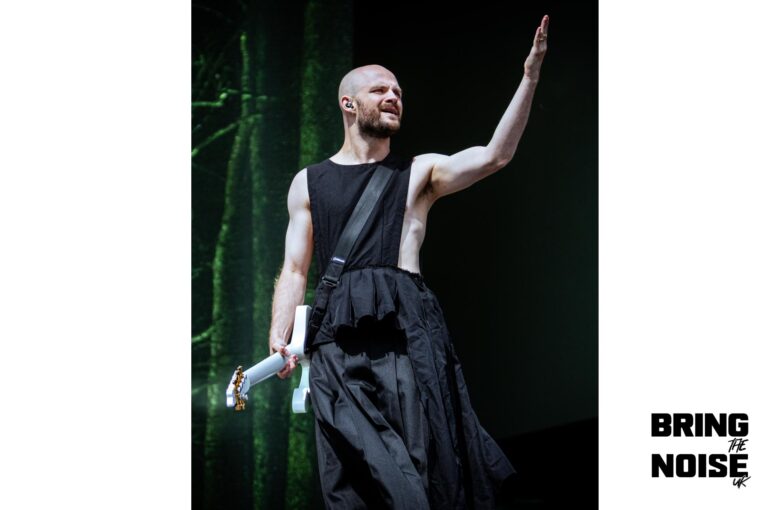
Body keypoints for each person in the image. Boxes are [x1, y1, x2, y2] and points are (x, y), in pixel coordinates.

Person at [268, 15, 550, 510]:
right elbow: (294, 269)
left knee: (419, 471)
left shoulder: (420, 171)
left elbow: (494, 156)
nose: (394, 97)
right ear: (348, 104)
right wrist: (281, 332)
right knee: (352, 480)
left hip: (406, 336)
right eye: (380, 90)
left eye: (398, 91)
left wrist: (529, 77)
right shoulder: (308, 183)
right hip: (337, 340)